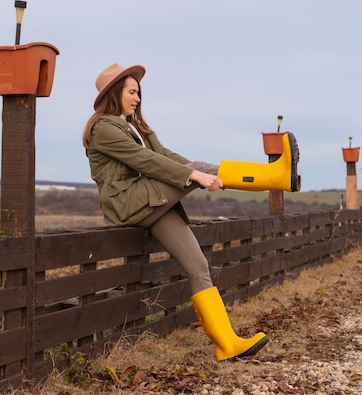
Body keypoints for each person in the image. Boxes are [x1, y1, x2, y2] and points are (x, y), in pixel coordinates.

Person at [82, 63, 299, 361]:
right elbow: (145, 161)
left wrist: (197, 171)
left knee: (198, 264)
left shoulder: (135, 126)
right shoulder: (103, 128)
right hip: (128, 203)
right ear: (114, 93)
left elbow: (166, 157)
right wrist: (195, 175)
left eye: (138, 92)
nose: (138, 98)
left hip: (148, 203)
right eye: (132, 92)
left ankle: (226, 344)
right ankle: (277, 177)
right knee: (198, 168)